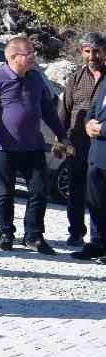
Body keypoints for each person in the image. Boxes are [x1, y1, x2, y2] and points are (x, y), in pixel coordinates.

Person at [0, 36, 65, 252]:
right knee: (4, 192)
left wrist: (62, 134)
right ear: (14, 57)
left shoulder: (35, 78)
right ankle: (5, 232)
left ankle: (33, 235)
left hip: (33, 145)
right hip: (4, 147)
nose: (34, 57)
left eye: (34, 52)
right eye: (29, 53)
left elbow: (48, 111)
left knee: (39, 191)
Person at [55, 34, 105, 250]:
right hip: (77, 145)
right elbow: (64, 112)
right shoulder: (75, 79)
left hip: (102, 146)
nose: (92, 56)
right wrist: (60, 140)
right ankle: (76, 233)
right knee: (76, 190)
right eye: (87, 51)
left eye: (96, 51)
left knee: (100, 192)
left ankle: (99, 239)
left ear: (104, 52)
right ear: (81, 53)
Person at [74, 79, 106, 264]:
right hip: (96, 154)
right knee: (96, 202)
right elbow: (93, 110)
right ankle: (97, 243)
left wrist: (101, 129)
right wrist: (88, 125)